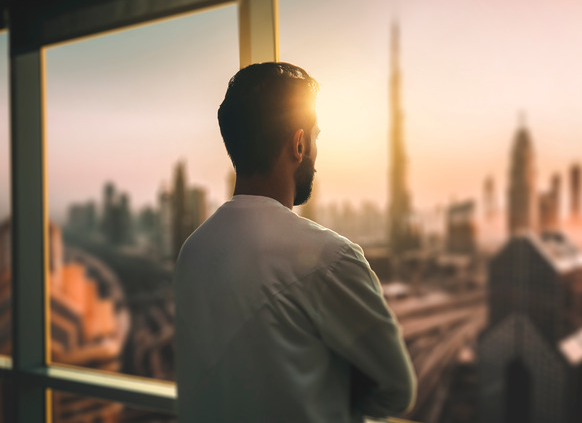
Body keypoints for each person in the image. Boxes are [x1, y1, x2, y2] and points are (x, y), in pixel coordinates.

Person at [175, 62, 416, 422]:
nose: (316, 151)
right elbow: (397, 390)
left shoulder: (193, 251)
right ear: (299, 144)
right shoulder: (331, 259)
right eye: (315, 136)